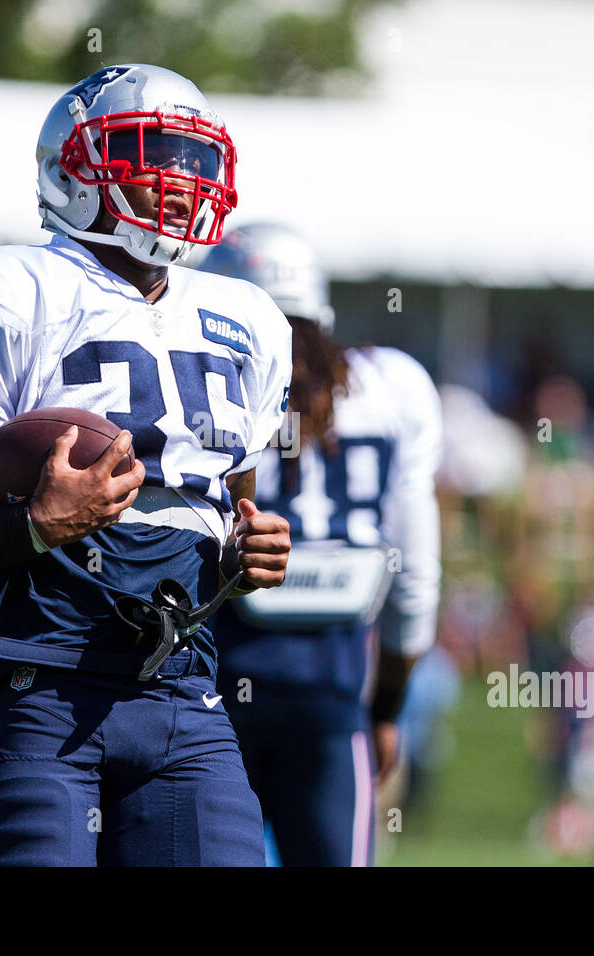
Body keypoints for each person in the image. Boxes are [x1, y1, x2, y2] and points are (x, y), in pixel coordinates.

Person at [0, 64, 293, 866]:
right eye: (151, 153)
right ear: (75, 168)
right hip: (37, 688)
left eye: (195, 159)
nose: (179, 181)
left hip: (183, 691)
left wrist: (249, 558)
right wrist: (32, 526)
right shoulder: (3, 288)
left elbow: (227, 517)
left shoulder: (249, 320)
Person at [201, 223, 441, 866]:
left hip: (208, 688)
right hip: (331, 694)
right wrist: (387, 708)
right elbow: (414, 573)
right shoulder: (391, 387)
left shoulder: (204, 379)